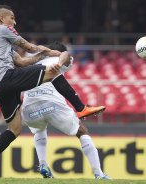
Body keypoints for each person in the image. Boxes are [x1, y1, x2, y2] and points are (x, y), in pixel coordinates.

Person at [0, 5, 105, 177]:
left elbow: (22, 62)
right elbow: (29, 47)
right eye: (12, 18)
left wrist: (42, 55)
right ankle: (81, 109)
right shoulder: (1, 29)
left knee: (14, 129)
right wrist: (48, 50)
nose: (14, 22)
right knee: (53, 72)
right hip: (7, 79)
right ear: (1, 19)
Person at [20, 42, 110, 179]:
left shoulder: (32, 64)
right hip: (51, 103)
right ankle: (99, 174)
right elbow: (66, 56)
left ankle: (43, 164)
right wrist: (61, 58)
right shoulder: (58, 58)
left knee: (39, 130)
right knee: (82, 132)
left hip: (28, 107)